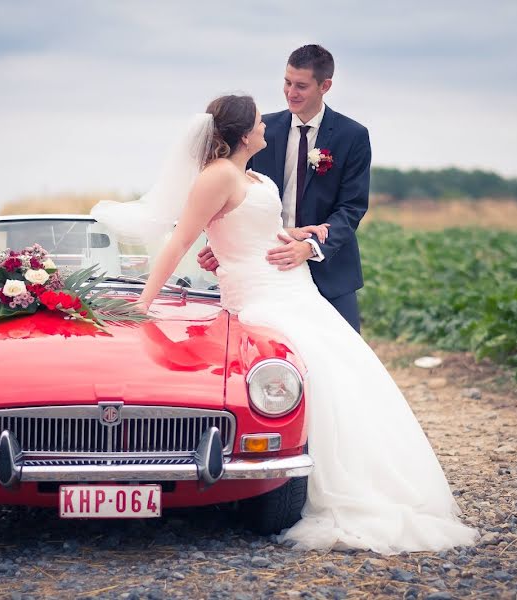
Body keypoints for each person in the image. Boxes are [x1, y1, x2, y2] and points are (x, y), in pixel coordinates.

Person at [92, 94, 480, 555]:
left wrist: (299, 237)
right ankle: (310, 478)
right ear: (242, 136)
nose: (266, 128)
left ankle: (361, 480)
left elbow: (249, 229)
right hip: (259, 296)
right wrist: (144, 302)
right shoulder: (217, 177)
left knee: (337, 371)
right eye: (258, 123)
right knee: (308, 374)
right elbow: (179, 242)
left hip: (292, 288)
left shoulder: (251, 176)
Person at [197, 45, 369, 332]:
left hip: (331, 271)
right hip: (266, 271)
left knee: (339, 354)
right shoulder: (260, 132)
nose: (291, 92)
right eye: (287, 82)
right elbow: (228, 193)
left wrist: (311, 247)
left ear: (324, 86)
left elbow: (352, 207)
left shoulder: (353, 136)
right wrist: (223, 243)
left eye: (301, 86)